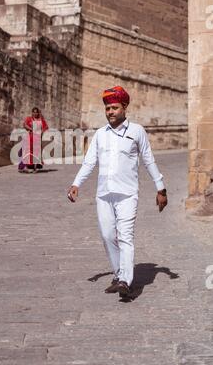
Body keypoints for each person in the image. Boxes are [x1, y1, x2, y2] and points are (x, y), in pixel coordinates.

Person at [67, 86, 168, 297]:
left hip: (128, 194)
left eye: (114, 107)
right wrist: (76, 184)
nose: (110, 111)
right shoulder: (100, 135)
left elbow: (148, 160)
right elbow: (89, 162)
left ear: (124, 107)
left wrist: (161, 188)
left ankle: (125, 280)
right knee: (107, 235)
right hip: (104, 194)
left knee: (125, 237)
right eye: (107, 108)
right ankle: (119, 273)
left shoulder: (137, 131)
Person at [18, 107, 48, 173]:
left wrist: (41, 132)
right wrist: (31, 129)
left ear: (38, 112)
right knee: (27, 152)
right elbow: (25, 125)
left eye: (36, 112)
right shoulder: (29, 119)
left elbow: (45, 127)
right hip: (29, 138)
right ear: (32, 112)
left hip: (37, 139)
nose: (35, 113)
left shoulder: (41, 120)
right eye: (33, 112)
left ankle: (34, 167)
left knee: (36, 153)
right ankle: (25, 166)